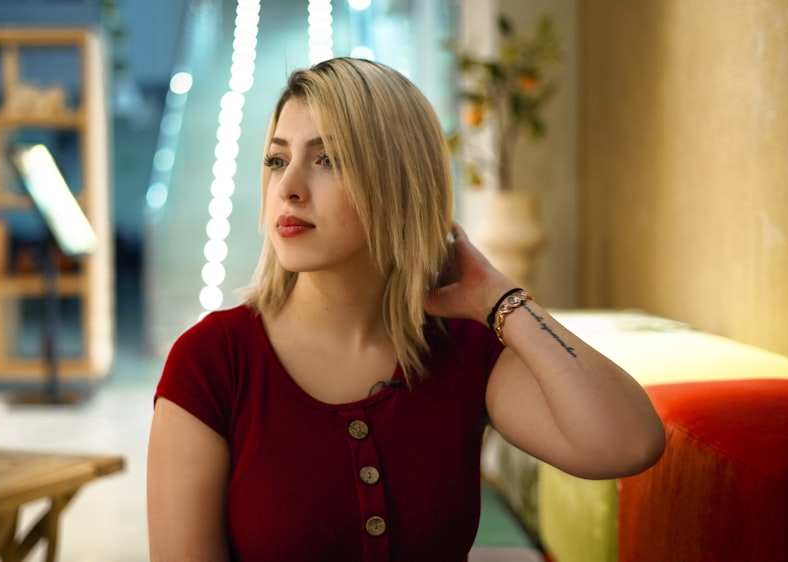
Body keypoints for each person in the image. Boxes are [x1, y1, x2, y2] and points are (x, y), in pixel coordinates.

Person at [147, 57, 665, 562]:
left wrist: (497, 298)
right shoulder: (212, 362)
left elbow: (628, 442)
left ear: (399, 184)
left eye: (328, 159)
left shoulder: (461, 351)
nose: (288, 188)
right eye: (278, 160)